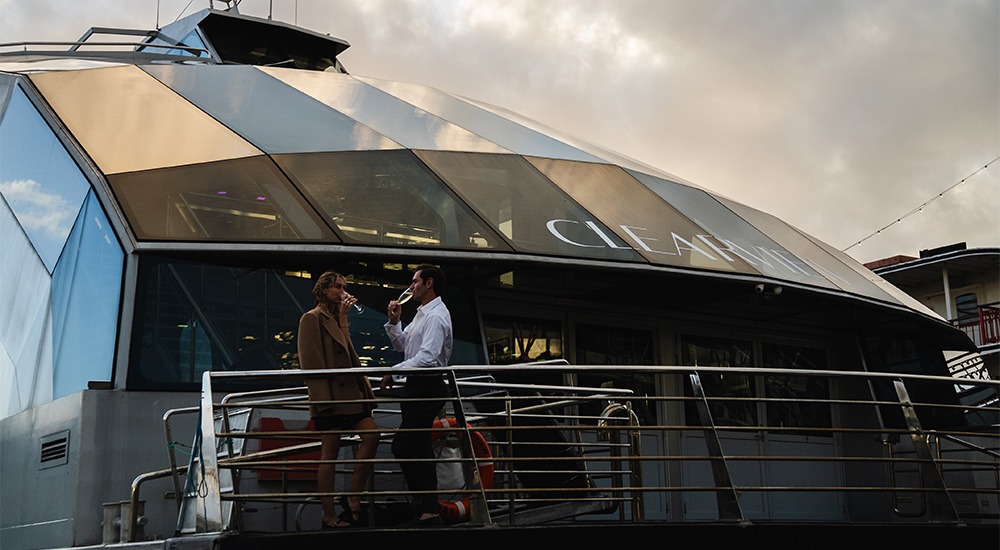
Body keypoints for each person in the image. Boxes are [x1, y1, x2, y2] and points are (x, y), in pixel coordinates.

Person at [298, 270, 379, 529]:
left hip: (351, 395)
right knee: (329, 455)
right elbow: (310, 363)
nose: (343, 292)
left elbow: (348, 351)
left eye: (345, 286)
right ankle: (329, 515)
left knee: (372, 436)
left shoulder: (337, 317)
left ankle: (353, 495)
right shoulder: (311, 318)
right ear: (324, 290)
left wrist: (344, 318)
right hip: (331, 398)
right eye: (338, 287)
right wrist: (322, 401)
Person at [380, 264, 453, 526]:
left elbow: (428, 358)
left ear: (429, 283)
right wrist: (394, 321)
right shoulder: (424, 314)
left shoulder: (435, 316)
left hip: (427, 386)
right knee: (420, 447)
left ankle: (424, 503)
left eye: (414, 281)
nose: (411, 287)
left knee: (403, 445)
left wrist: (393, 372)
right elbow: (403, 345)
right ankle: (427, 506)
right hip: (417, 387)